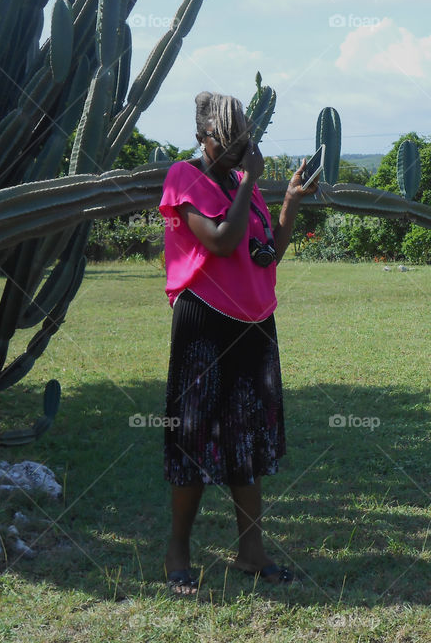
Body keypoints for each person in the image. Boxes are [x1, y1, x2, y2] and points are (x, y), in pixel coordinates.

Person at [157, 91, 318, 596]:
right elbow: (221, 241)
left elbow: (266, 254)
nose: (233, 151)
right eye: (224, 143)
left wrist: (287, 201)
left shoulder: (237, 183)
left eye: (241, 142)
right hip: (204, 321)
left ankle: (251, 552)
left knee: (247, 438)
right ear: (201, 137)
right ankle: (178, 552)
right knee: (194, 436)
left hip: (254, 323)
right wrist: (249, 181)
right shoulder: (185, 178)